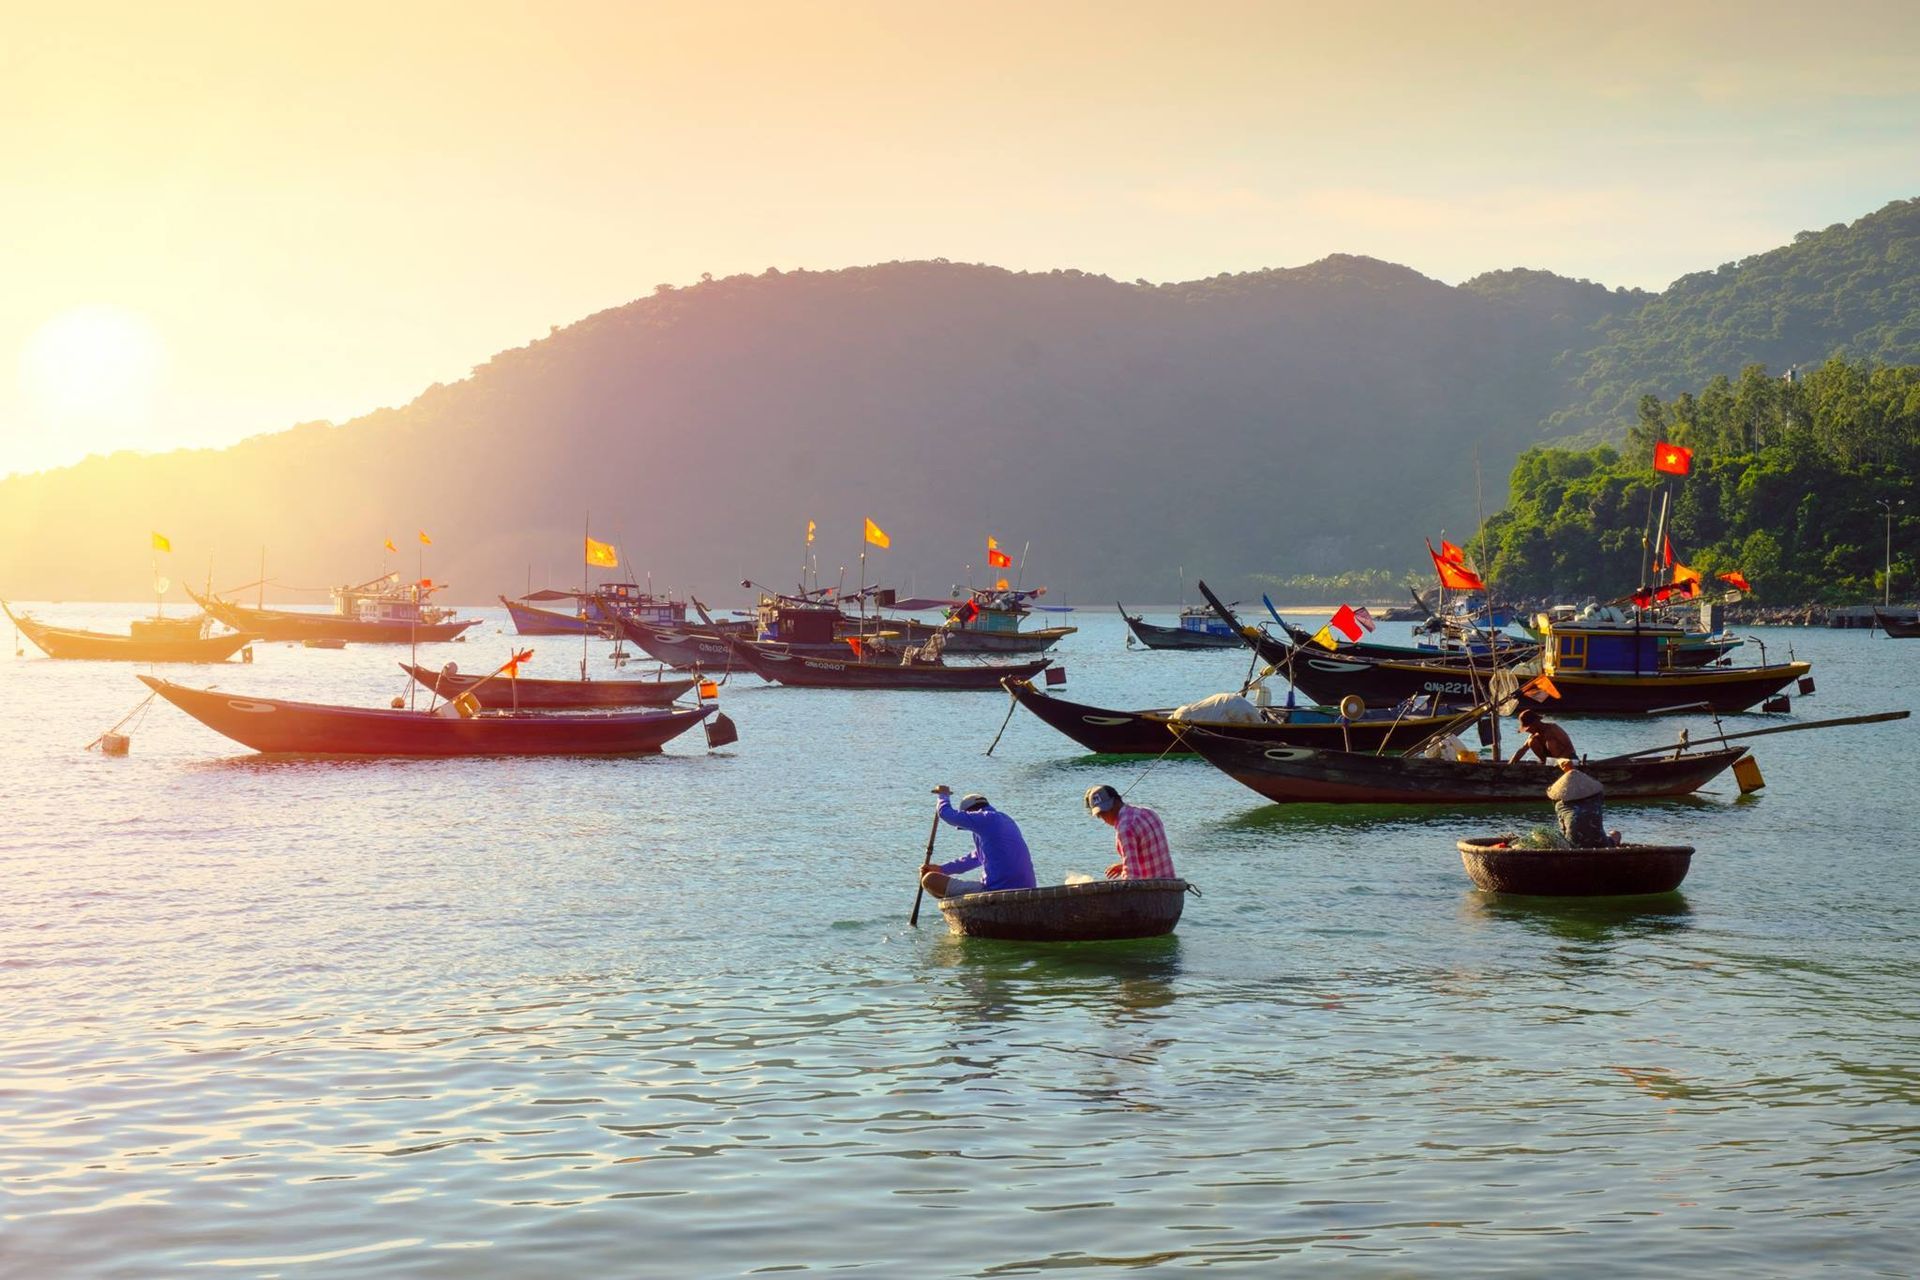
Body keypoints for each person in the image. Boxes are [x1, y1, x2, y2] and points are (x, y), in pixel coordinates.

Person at [920, 786, 1035, 897]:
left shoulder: (984, 818)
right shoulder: (1005, 820)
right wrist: (942, 869)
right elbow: (973, 859)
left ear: (971, 812)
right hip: (1028, 887)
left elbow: (945, 813)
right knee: (941, 881)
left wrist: (943, 795)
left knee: (929, 880)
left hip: (997, 890)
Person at [1083, 785, 1177, 880]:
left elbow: (1131, 878)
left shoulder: (1125, 828)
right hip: (1170, 886)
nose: (1105, 817)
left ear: (1116, 801)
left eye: (1106, 810)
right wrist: (1123, 866)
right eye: (1100, 814)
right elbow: (1152, 855)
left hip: (1151, 892)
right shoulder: (1149, 813)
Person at [1546, 760, 1619, 847]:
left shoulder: (1560, 806)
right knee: (1616, 834)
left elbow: (1564, 829)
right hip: (1601, 844)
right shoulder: (1596, 800)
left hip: (1573, 846)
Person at [1509, 706, 1575, 766]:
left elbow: (1569, 748)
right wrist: (1510, 765)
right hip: (1551, 761)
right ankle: (1546, 764)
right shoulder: (1534, 734)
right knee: (1531, 741)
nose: (1527, 731)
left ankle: (1553, 765)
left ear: (1535, 724)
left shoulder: (1553, 728)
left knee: (1551, 742)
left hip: (1568, 758)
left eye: (1528, 728)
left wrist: (1558, 762)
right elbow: (1522, 750)